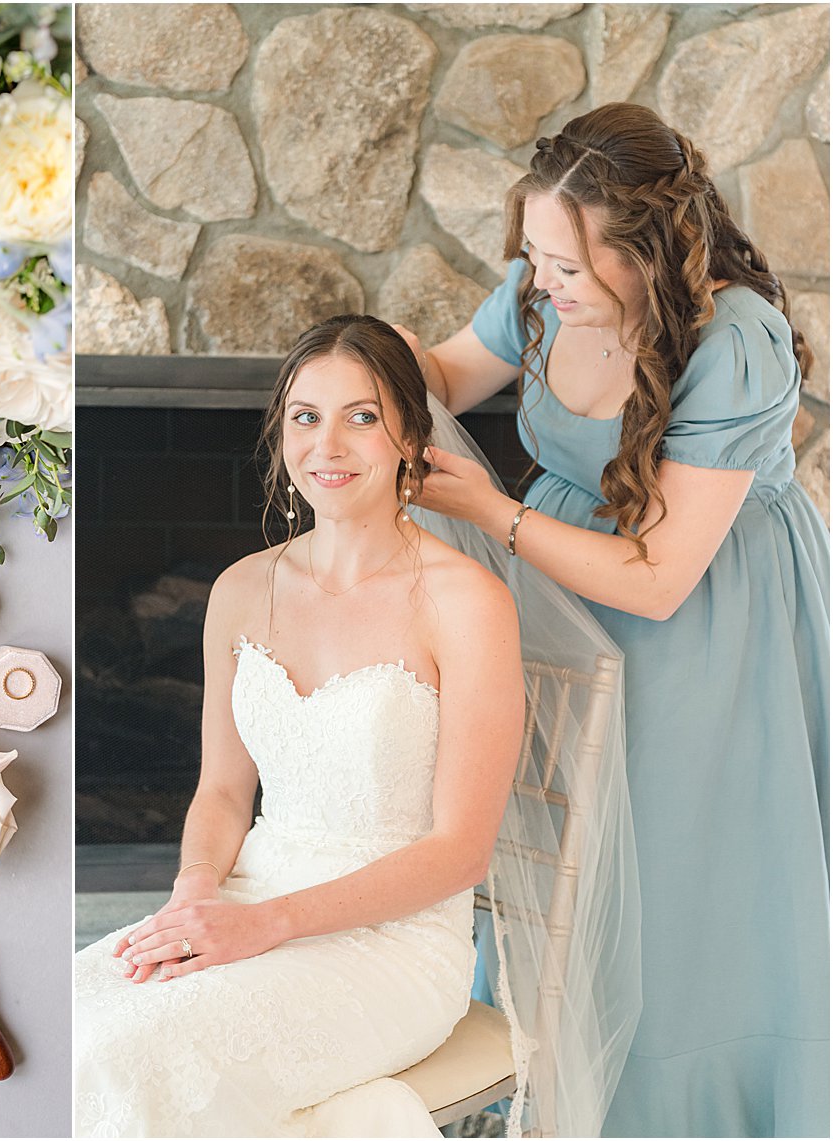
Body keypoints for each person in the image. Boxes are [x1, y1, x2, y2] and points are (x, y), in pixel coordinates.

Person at [397, 102, 830, 1137]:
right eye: (536, 254)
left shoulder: (736, 343)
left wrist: (489, 510)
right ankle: (557, 1078)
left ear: (648, 256)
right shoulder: (539, 290)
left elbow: (654, 577)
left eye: (569, 265)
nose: (541, 280)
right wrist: (371, 368)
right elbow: (450, 372)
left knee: (680, 877)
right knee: (560, 850)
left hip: (704, 621)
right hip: (550, 586)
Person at [73, 315, 526, 1137]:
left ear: (409, 437)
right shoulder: (242, 589)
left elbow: (461, 850)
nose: (330, 443)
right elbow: (220, 790)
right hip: (245, 894)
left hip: (394, 946)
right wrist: (196, 890)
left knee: (128, 1052)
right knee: (71, 1020)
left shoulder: (467, 603)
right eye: (306, 416)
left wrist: (264, 925)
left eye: (362, 415)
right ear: (281, 435)